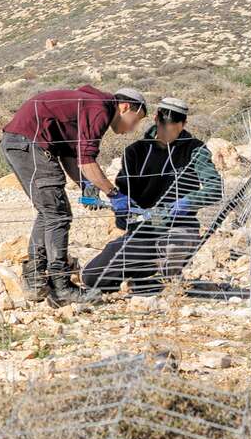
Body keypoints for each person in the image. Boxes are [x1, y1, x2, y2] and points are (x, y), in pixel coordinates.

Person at [0, 84, 149, 302]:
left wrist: (86, 185)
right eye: (137, 119)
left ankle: (36, 281)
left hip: (21, 141)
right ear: (125, 107)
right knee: (57, 214)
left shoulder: (90, 106)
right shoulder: (101, 109)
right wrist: (114, 194)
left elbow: (71, 157)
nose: (134, 127)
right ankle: (60, 287)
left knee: (49, 212)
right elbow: (87, 161)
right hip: (29, 143)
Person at [82, 97, 224, 293]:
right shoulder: (135, 152)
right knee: (91, 276)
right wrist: (123, 211)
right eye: (164, 127)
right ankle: (148, 279)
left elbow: (215, 189)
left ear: (184, 124)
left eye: (175, 129)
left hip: (179, 229)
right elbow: (123, 195)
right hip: (143, 231)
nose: (168, 135)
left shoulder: (195, 150)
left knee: (174, 244)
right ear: (156, 119)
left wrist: (185, 203)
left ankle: (166, 275)